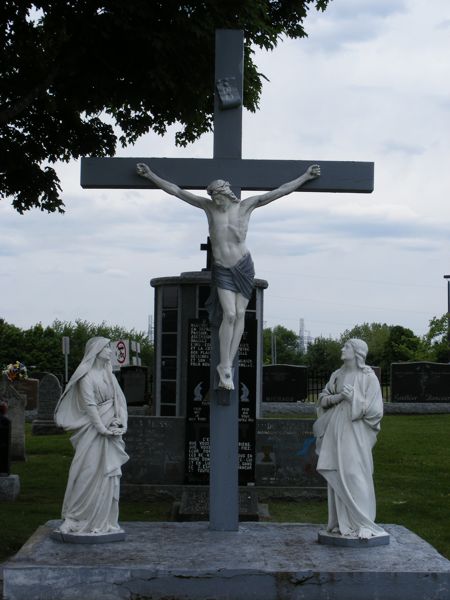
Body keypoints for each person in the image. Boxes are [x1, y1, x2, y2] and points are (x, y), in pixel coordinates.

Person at [136, 162, 320, 390]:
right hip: (222, 268)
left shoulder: (246, 207)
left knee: (241, 312)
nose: (216, 201)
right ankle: (224, 365)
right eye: (213, 198)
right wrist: (151, 175)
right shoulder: (208, 208)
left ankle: (228, 366)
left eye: (218, 197)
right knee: (230, 314)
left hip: (243, 266)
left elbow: (280, 191)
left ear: (226, 193)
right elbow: (177, 191)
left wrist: (305, 177)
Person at [313, 338, 387, 540]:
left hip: (357, 432)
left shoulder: (368, 377)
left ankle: (364, 522)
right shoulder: (337, 375)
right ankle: (342, 522)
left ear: (357, 352)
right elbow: (323, 399)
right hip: (336, 429)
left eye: (346, 346)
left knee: (356, 473)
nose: (342, 349)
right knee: (337, 470)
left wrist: (354, 398)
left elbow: (375, 411)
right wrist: (339, 398)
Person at [54, 337, 129, 535]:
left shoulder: (109, 375)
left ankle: (102, 521)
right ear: (96, 351)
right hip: (92, 431)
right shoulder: (86, 377)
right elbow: (90, 407)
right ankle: (74, 517)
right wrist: (102, 429)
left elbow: (120, 403)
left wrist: (121, 423)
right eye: (107, 348)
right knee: (85, 472)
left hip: (110, 430)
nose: (111, 352)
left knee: (108, 475)